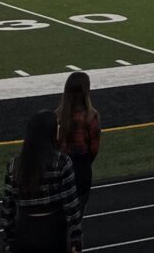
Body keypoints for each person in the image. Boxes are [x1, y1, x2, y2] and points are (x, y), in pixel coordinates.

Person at [0, 110, 82, 253]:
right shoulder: (61, 163)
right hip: (53, 230)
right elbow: (71, 206)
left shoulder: (14, 165)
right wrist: (76, 239)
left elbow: (8, 208)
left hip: (24, 228)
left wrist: (8, 239)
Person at [56, 72, 101, 216]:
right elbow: (93, 150)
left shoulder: (57, 116)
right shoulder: (90, 117)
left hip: (60, 172)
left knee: (58, 219)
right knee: (76, 218)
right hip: (80, 171)